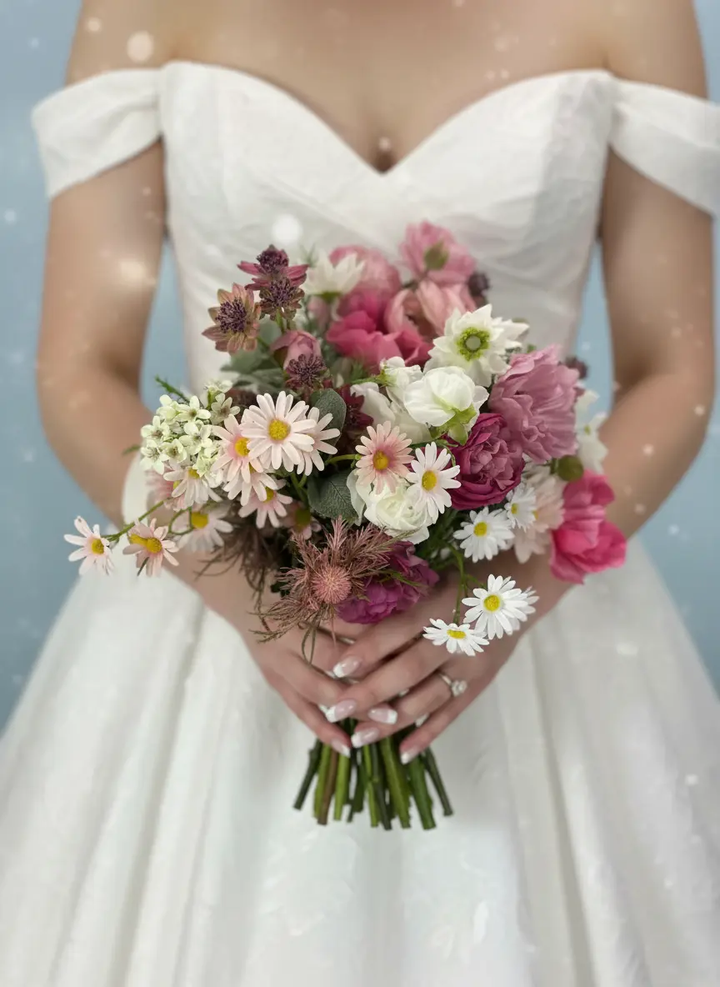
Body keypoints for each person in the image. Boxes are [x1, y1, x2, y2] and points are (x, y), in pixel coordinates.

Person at [1, 0, 719, 982]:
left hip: (525, 595)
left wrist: (504, 597)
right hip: (213, 598)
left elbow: (674, 370)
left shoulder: (635, 13)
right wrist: (244, 592)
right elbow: (78, 370)